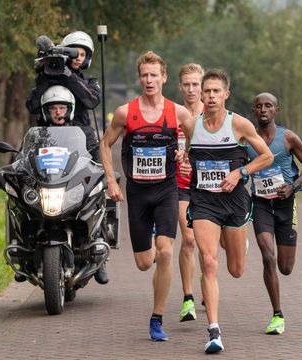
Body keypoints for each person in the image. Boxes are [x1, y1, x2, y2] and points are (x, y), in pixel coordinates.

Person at [99, 51, 192, 342]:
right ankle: (150, 236)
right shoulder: (126, 112)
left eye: (154, 75)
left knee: (166, 251)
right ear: (139, 78)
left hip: (166, 190)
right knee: (143, 262)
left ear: (164, 77)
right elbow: (104, 144)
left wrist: (186, 154)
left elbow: (197, 137)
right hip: (137, 193)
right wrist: (111, 180)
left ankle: (156, 318)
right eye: (144, 75)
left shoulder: (178, 112)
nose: (149, 80)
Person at [184, 69, 273, 353]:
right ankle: (213, 331)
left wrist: (241, 173)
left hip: (234, 202)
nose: (209, 96)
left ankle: (237, 242)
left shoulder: (240, 125)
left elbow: (266, 156)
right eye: (206, 91)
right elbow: (188, 154)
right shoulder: (191, 125)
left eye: (215, 91)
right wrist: (184, 161)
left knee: (235, 270)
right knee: (209, 262)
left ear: (226, 95)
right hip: (203, 202)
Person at [248, 92, 302, 335]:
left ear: (276, 110)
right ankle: (277, 315)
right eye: (259, 106)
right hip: (261, 206)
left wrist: (293, 186)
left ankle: (278, 311)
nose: (263, 109)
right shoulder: (248, 139)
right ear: (254, 111)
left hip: (286, 206)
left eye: (268, 106)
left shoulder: (288, 137)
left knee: (285, 268)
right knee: (268, 257)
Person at [26, 31, 101, 161]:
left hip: (81, 138)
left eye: (82, 55)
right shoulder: (48, 76)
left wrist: (69, 76)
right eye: (74, 53)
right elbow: (32, 107)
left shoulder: (90, 81)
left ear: (87, 58)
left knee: (99, 172)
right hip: (47, 136)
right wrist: (44, 73)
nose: (78, 58)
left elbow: (92, 101)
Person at [176, 63, 204, 322]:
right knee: (188, 240)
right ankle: (188, 299)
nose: (192, 89)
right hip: (182, 187)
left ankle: (208, 273)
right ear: (180, 86)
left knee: (212, 245)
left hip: (209, 188)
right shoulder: (173, 115)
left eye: (196, 84)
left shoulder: (214, 114)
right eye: (187, 84)